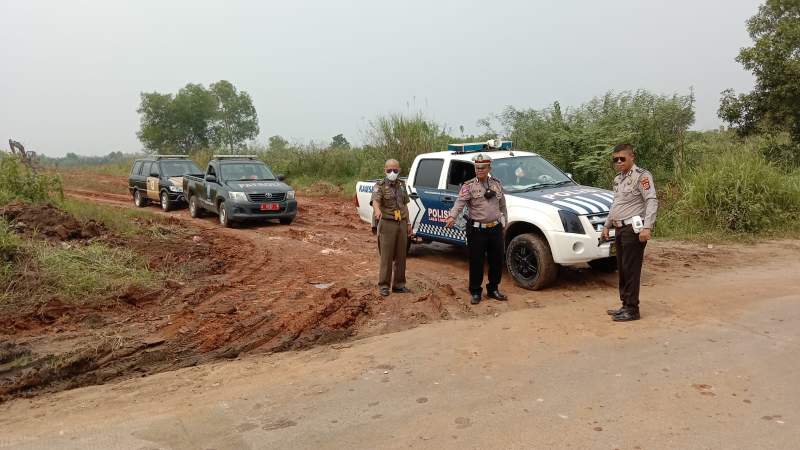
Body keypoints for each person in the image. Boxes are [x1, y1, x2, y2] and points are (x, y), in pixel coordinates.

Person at [601, 144, 658, 322]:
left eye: (622, 158)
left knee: (631, 269)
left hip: (633, 230)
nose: (618, 162)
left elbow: (651, 201)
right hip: (619, 228)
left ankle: (632, 309)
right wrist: (606, 225)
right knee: (623, 269)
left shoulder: (642, 176)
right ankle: (625, 304)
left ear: (631, 157)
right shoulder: (619, 179)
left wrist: (647, 227)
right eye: (615, 159)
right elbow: (616, 205)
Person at [445, 153, 508, 305]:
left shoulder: (496, 184)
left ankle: (493, 289)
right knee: (476, 262)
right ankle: (475, 291)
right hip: (477, 230)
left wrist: (505, 221)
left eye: (483, 167)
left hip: (495, 228)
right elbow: (459, 203)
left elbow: (503, 205)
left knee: (496, 261)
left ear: (489, 168)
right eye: (477, 167)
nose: (479, 170)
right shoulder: (468, 186)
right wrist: (452, 216)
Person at [372, 159, 412, 297]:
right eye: (389, 170)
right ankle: (384, 286)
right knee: (386, 256)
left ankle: (399, 285)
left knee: (401, 256)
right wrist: (377, 211)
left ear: (399, 170)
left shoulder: (402, 185)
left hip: (401, 222)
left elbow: (405, 205)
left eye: (395, 170)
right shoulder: (380, 185)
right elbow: (376, 201)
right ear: (385, 170)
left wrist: (408, 223)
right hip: (387, 223)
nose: (392, 172)